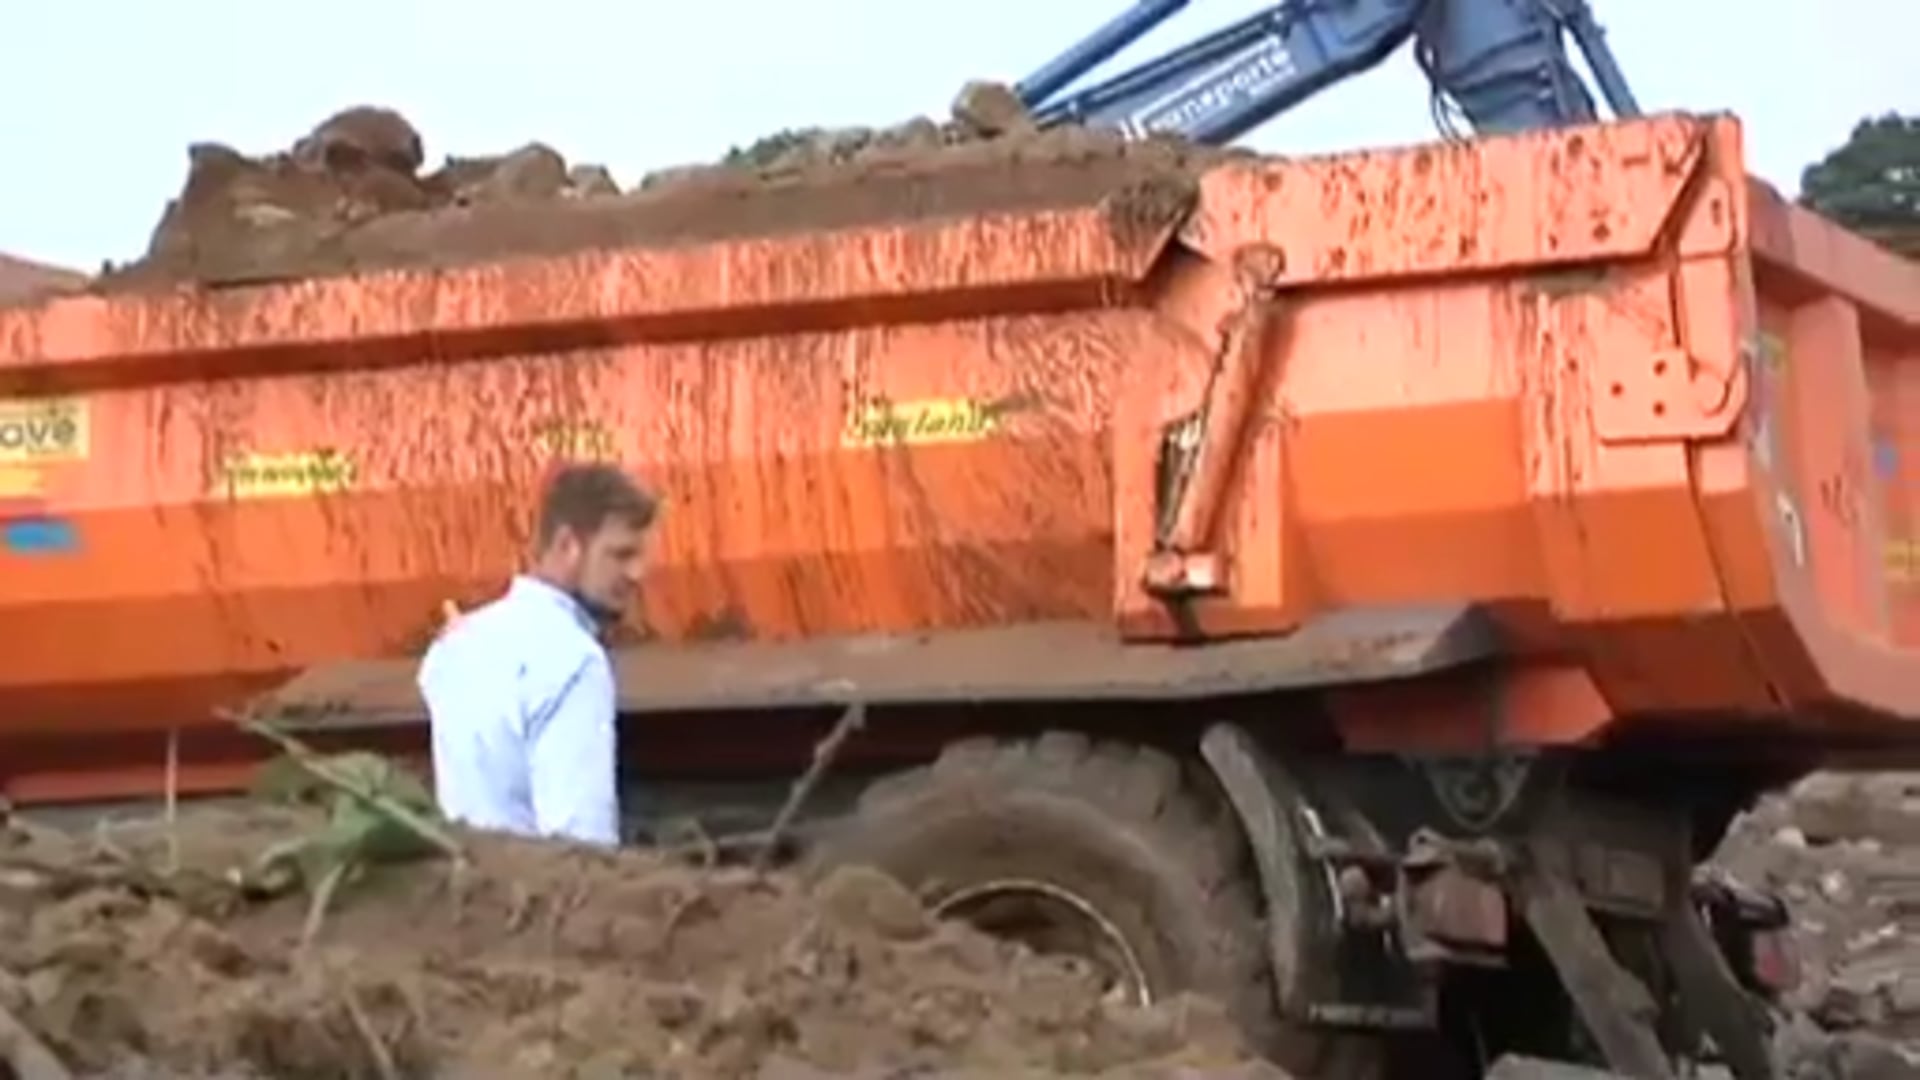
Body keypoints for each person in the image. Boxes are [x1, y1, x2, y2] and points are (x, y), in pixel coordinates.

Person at [419, 462, 656, 847]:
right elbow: (582, 846)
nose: (637, 573)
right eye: (621, 554)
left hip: (469, 891)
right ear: (567, 546)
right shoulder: (575, 662)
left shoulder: (453, 650)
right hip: (539, 898)